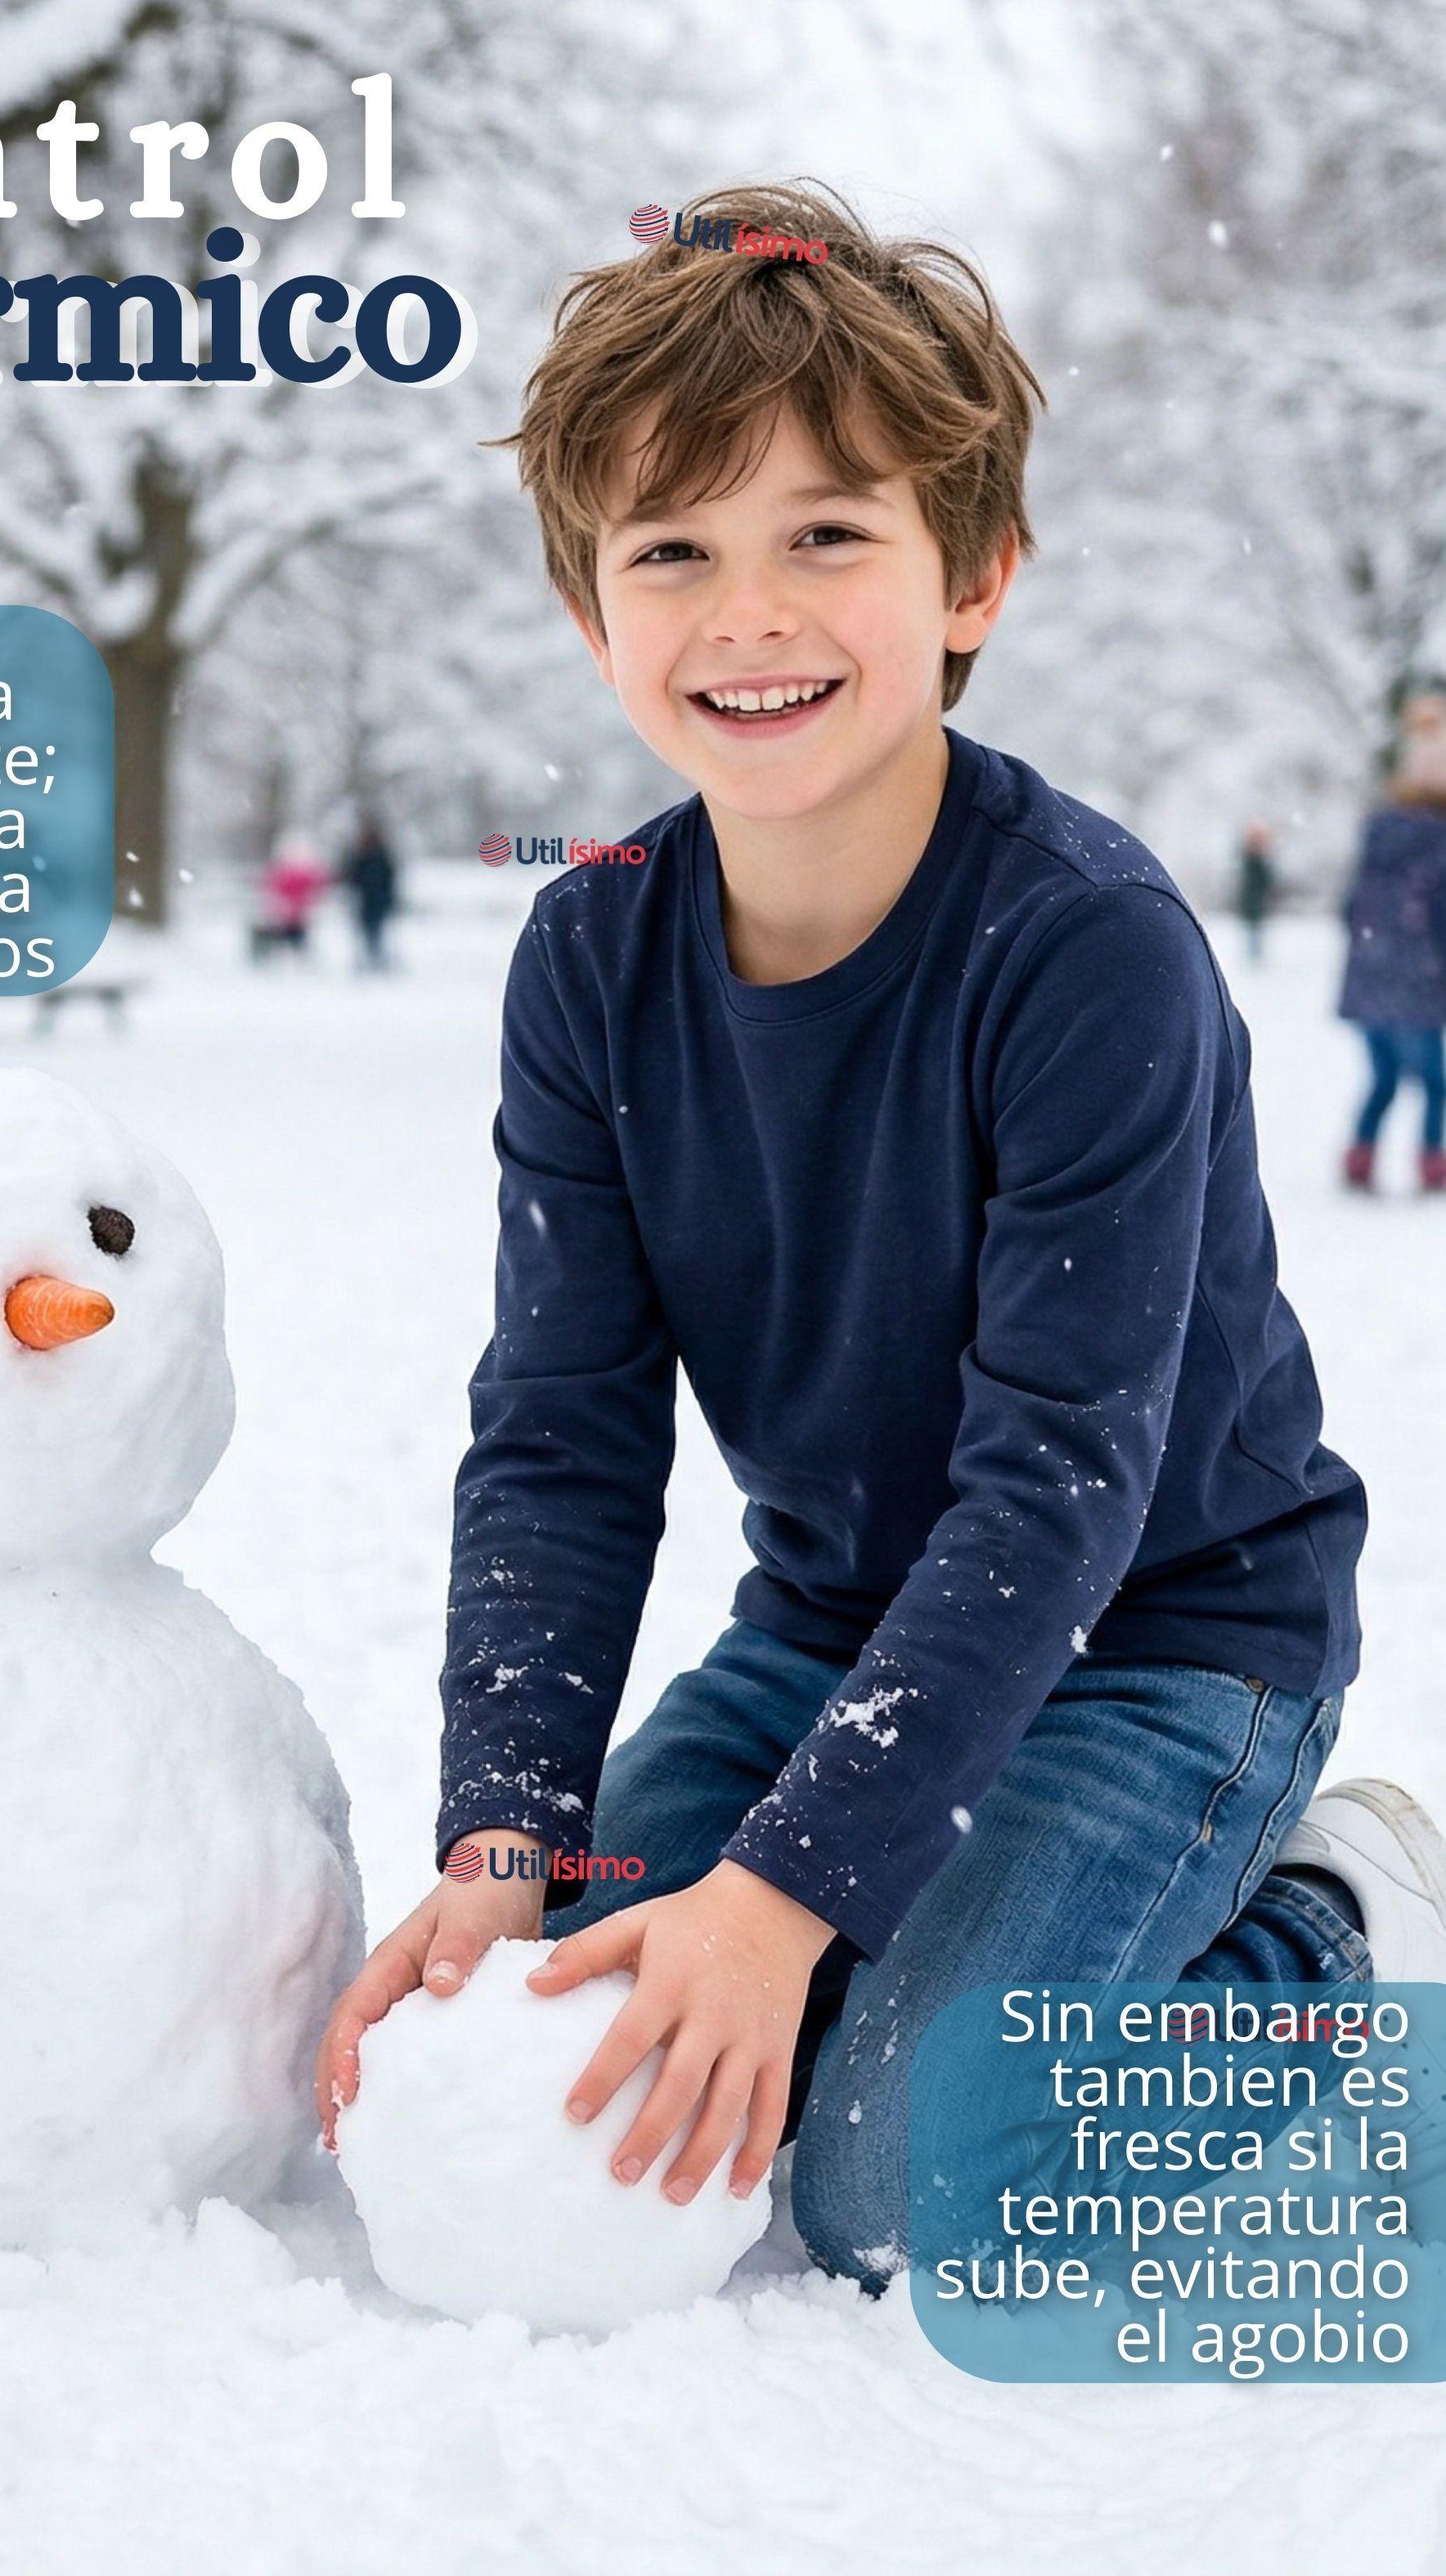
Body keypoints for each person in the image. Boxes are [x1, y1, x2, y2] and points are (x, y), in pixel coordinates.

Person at [316, 182, 1446, 2291]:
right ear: (589, 610)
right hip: (831, 1638)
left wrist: (782, 1899)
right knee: (571, 2015)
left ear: (973, 573)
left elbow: (1059, 1485)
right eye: (672, 551)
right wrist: (504, 1837)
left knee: (900, 2176)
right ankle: (910, 1911)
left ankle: (1329, 1919)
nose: (748, 613)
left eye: (826, 535)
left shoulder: (1084, 948)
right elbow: (560, 1431)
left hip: (1167, 1642)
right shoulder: (590, 957)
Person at [1339, 694, 1446, 1193]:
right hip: (1419, 981)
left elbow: (1349, 908)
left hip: (1370, 975)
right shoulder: (1438, 840)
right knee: (1434, 1083)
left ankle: (1360, 1159)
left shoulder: (1380, 833)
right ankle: (1432, 1163)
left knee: (1383, 1078)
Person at [248, 832, 333, 963]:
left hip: (295, 914)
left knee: (295, 938)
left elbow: (315, 890)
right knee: (287, 938)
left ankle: (295, 958)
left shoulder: (303, 873)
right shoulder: (282, 871)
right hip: (284, 913)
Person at [340, 815, 401, 970]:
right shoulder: (360, 855)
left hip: (377, 899)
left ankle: (377, 956)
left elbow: (389, 877)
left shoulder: (381, 855)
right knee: (367, 929)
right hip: (365, 899)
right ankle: (370, 957)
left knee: (376, 929)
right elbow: (352, 875)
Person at [1234, 818, 1278, 961]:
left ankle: (1255, 955)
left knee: (1255, 930)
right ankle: (1253, 955)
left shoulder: (1254, 860)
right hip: (1253, 901)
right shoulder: (1251, 861)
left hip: (1255, 901)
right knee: (1253, 930)